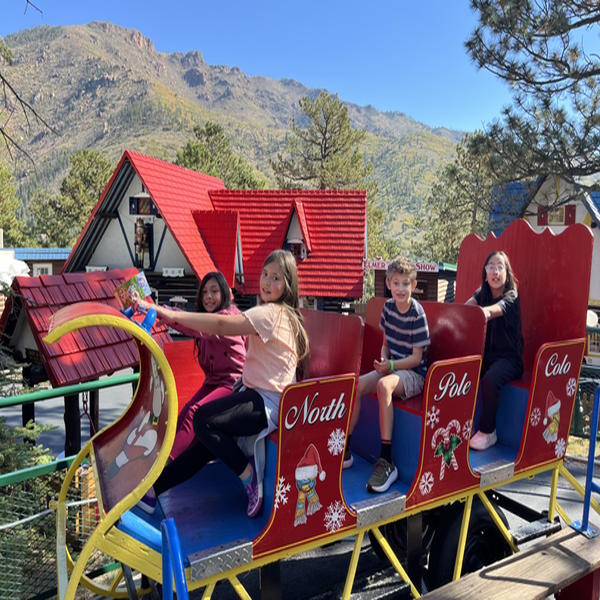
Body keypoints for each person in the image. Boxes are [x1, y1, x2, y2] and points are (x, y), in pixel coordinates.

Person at [137, 249, 309, 517]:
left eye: (276, 278)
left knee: (202, 419)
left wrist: (164, 312)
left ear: (289, 284)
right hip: (256, 395)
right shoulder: (277, 313)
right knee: (204, 443)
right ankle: (154, 491)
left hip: (268, 403)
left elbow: (219, 324)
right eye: (265, 274)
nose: (267, 282)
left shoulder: (272, 314)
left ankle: (248, 476)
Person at [344, 256, 430, 493]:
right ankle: (346, 450)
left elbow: (416, 358)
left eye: (405, 283)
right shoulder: (388, 308)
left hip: (414, 375)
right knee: (357, 385)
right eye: (396, 283)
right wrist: (384, 359)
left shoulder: (417, 314)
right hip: (392, 367)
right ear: (389, 284)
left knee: (383, 386)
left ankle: (387, 461)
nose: (400, 288)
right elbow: (385, 344)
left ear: (413, 286)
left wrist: (389, 367)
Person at [168, 271, 246, 461]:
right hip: (214, 382)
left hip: (234, 384)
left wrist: (166, 313)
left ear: (224, 294)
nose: (209, 297)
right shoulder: (206, 320)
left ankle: (168, 462)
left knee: (196, 412)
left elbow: (197, 327)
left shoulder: (227, 319)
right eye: (204, 293)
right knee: (186, 409)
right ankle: (167, 452)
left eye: (214, 291)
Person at [466, 250, 524, 451]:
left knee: (490, 380)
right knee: (465, 372)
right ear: (485, 271)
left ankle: (489, 431)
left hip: (510, 359)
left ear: (507, 273)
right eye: (491, 266)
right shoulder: (481, 292)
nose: (496, 271)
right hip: (487, 356)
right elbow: (466, 309)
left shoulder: (511, 296)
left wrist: (478, 312)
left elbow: (491, 311)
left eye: (500, 267)